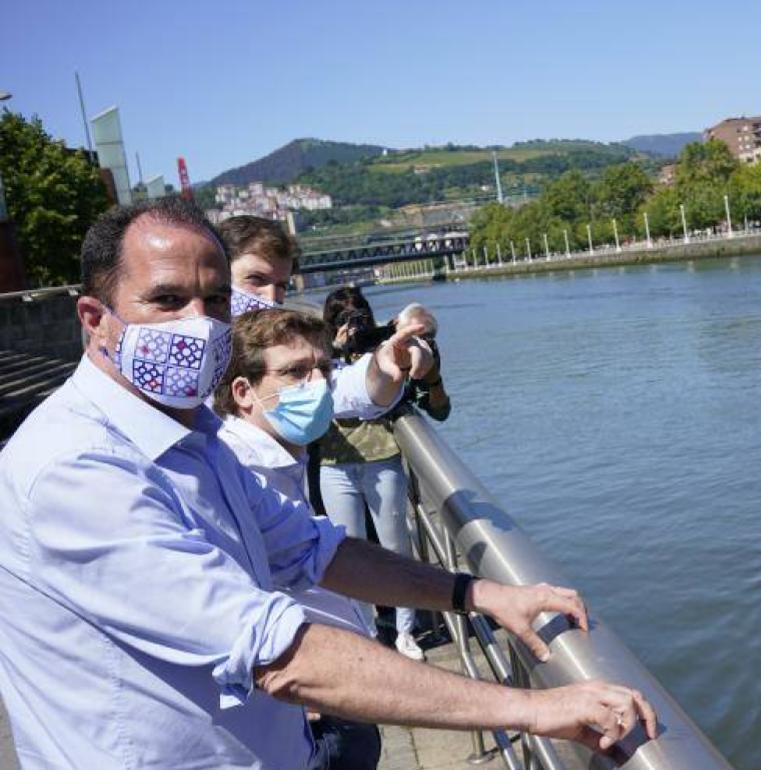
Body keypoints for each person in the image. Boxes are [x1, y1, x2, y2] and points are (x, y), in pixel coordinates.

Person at [0, 198, 656, 769]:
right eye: (167, 300)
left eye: (215, 299)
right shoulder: (74, 466)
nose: (198, 323)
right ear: (94, 318)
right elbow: (278, 654)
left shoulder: (193, 434)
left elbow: (319, 550)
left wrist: (481, 594)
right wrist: (536, 709)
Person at [214, 308, 386, 769]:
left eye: (323, 369)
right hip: (311, 717)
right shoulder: (238, 475)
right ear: (243, 392)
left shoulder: (282, 461)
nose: (315, 385)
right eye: (294, 372)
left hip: (335, 702)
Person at [317, 287, 446, 659]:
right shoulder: (319, 351)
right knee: (347, 550)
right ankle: (367, 631)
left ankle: (406, 631)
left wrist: (411, 347)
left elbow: (421, 350)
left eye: (359, 315)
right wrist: (336, 349)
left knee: (395, 547)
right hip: (333, 461)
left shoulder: (383, 341)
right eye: (343, 318)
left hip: (381, 455)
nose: (353, 323)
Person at [219, 215, 417, 421]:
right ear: (216, 275)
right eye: (256, 279)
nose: (271, 297)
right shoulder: (191, 354)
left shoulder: (282, 345)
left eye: (281, 286)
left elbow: (347, 389)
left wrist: (387, 363)